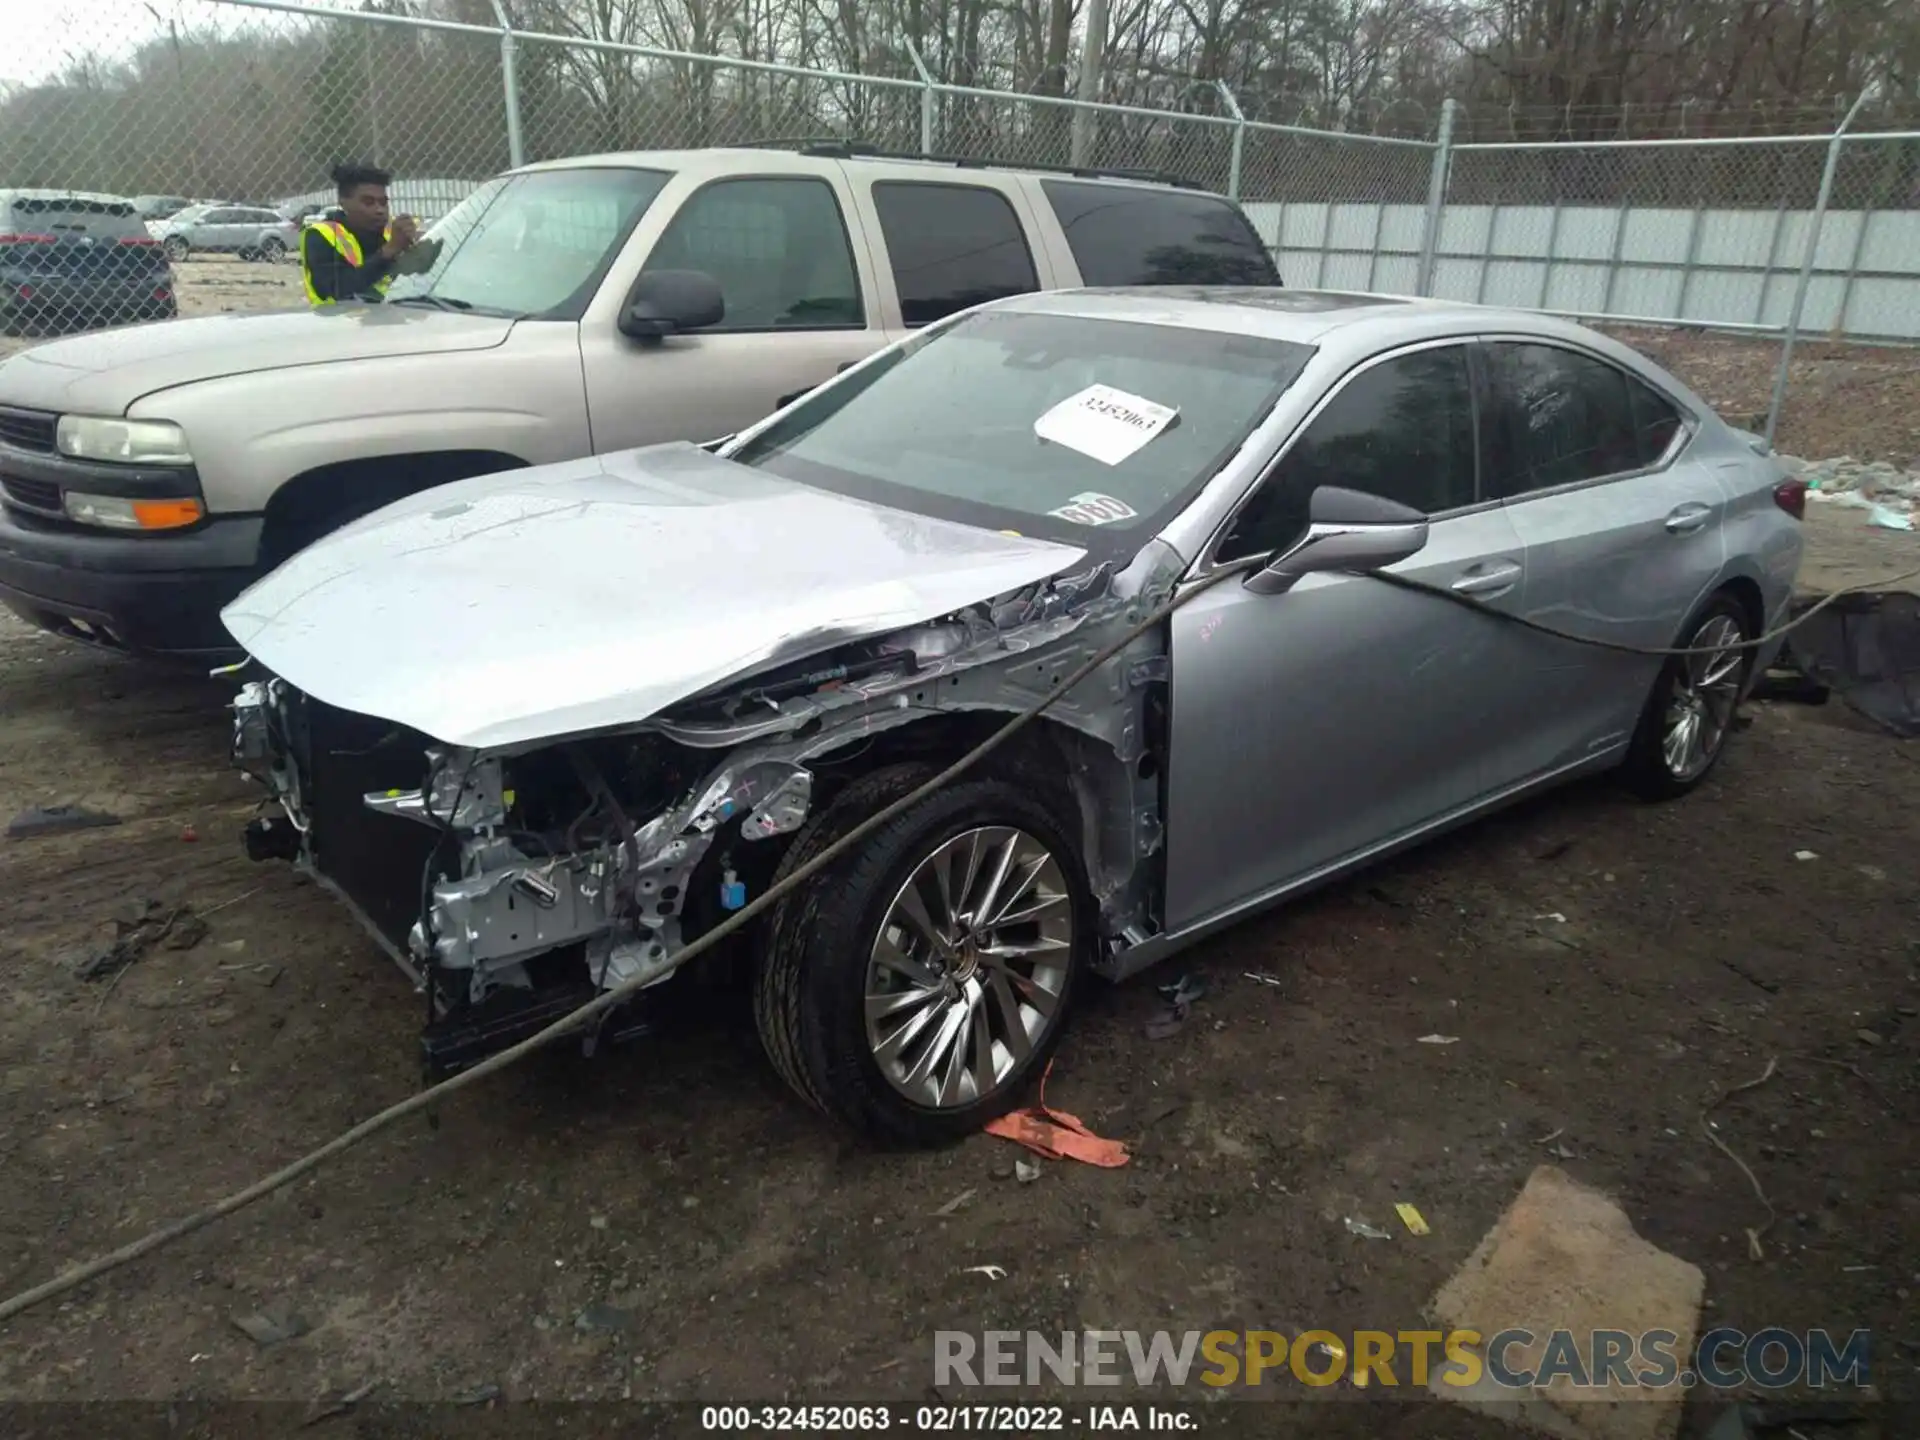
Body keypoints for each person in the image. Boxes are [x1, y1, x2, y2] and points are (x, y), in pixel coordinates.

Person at [300, 162, 420, 305]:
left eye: (383, 202)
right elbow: (335, 291)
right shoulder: (322, 235)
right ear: (344, 203)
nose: (379, 210)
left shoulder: (393, 231)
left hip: (394, 317)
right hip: (340, 322)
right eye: (369, 202)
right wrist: (389, 251)